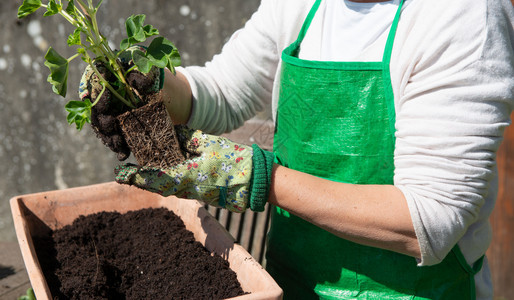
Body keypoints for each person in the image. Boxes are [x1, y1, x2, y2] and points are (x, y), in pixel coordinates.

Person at [84, 0, 514, 298]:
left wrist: (259, 178)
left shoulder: (463, 15)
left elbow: (430, 219)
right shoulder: (301, 5)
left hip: (417, 293)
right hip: (292, 282)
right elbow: (224, 91)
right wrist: (152, 89)